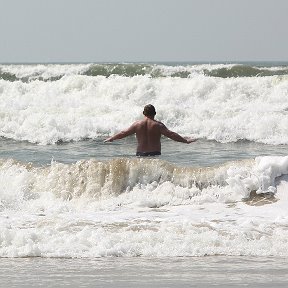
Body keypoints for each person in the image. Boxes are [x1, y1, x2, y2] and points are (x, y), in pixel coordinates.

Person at [104, 104, 196, 156]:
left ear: (143, 113)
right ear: (155, 113)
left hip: (140, 154)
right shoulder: (158, 125)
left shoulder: (137, 124)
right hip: (154, 154)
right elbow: (171, 134)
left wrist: (112, 138)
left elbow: (124, 133)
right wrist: (185, 141)